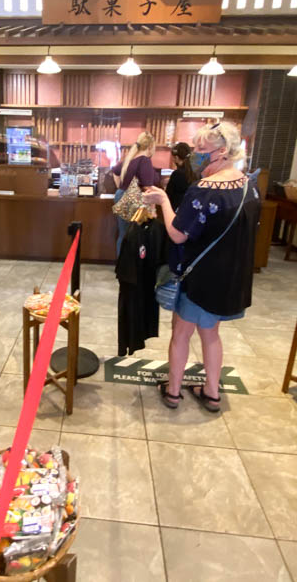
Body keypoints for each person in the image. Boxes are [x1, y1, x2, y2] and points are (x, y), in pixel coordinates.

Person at [142, 121, 260, 412]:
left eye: (202, 149)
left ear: (223, 151)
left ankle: (173, 391)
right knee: (211, 335)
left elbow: (178, 233)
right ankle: (211, 392)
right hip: (228, 276)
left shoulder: (205, 188)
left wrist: (163, 201)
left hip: (199, 277)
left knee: (181, 334)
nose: (196, 154)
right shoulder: (248, 186)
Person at [111, 131, 157, 254]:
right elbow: (148, 188)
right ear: (150, 146)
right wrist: (153, 209)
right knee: (136, 235)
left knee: (123, 233)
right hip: (135, 200)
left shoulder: (130, 159)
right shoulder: (145, 160)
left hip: (121, 195)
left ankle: (121, 263)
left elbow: (115, 171)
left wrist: (120, 186)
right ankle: (132, 264)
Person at [165, 141, 194, 210]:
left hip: (178, 210)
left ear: (177, 158)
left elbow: (168, 195)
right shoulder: (196, 173)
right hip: (191, 209)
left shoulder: (177, 174)